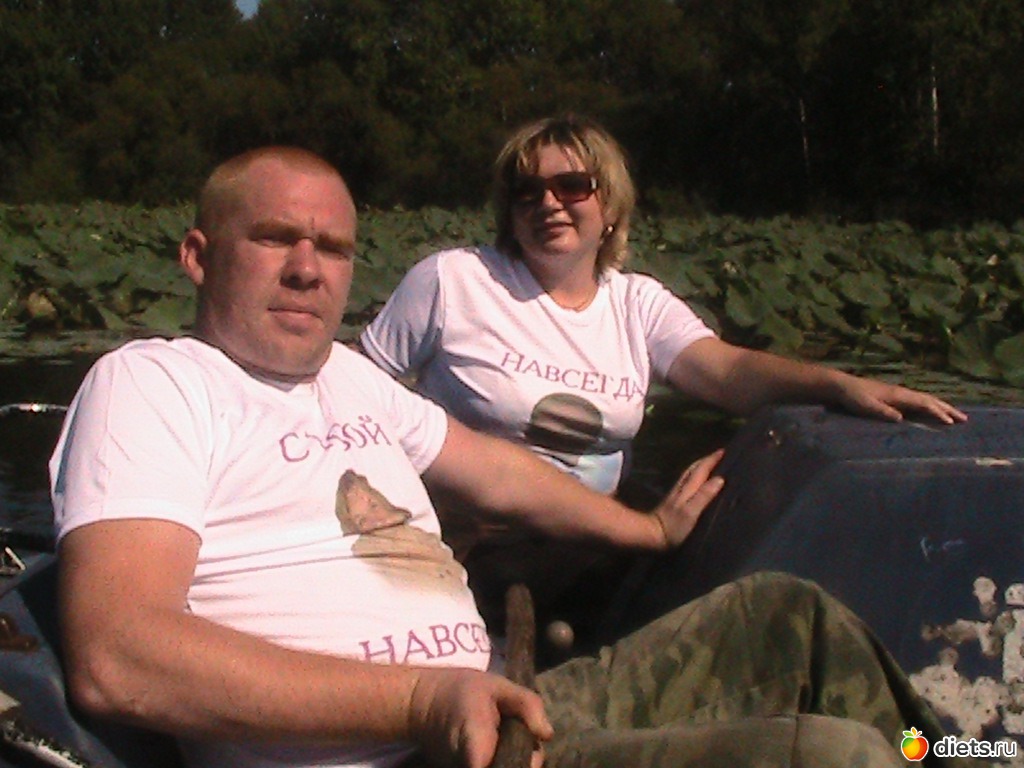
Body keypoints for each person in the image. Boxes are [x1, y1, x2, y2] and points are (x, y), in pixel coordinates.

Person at [50, 147, 973, 768]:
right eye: (274, 239)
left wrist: (647, 531)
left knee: (789, 618)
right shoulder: (154, 384)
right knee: (832, 757)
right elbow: (120, 657)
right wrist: (422, 702)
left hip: (502, 708)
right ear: (197, 256)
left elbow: (494, 470)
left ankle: (965, 755)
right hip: (406, 750)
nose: (307, 267)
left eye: (332, 247)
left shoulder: (348, 377)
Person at [358, 114, 968, 618]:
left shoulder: (637, 302)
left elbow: (727, 373)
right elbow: (356, 394)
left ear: (609, 206)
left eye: (571, 186)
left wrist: (837, 383)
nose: (548, 203)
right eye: (527, 190)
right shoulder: (453, 280)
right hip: (477, 544)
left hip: (598, 534)